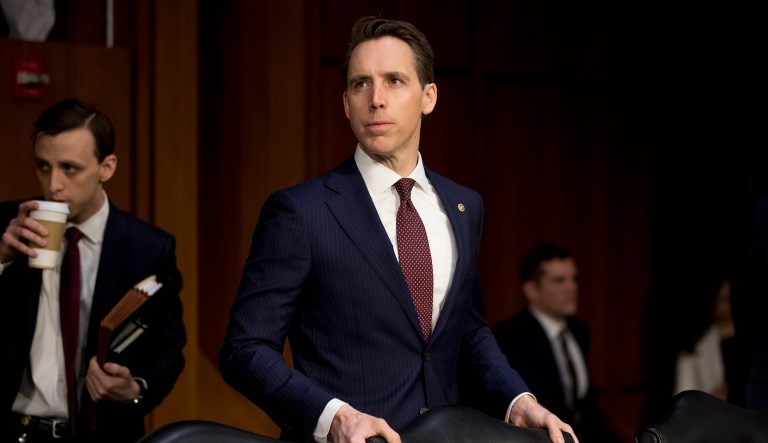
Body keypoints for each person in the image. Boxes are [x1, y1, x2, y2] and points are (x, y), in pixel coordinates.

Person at [219, 16, 577, 443]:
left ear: (428, 97)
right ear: (346, 103)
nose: (376, 99)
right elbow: (245, 350)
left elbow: (467, 332)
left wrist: (519, 402)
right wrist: (333, 417)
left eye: (394, 81)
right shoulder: (300, 211)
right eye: (360, 84)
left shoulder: (465, 207)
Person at [1, 98, 186, 442]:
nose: (53, 184)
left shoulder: (149, 249)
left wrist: (136, 387)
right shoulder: (9, 227)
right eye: (43, 167)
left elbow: (170, 349)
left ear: (107, 167)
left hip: (100, 431)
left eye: (69, 168)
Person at [492, 243, 616, 442]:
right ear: (531, 290)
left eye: (574, 279)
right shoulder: (510, 337)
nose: (572, 287)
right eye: (559, 281)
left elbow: (585, 404)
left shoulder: (579, 331)